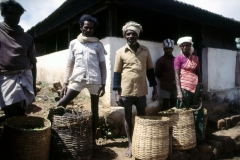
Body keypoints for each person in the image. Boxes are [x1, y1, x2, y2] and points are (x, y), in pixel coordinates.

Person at [57, 14, 107, 147]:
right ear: (81, 27)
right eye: (86, 27)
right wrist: (65, 83)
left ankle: (92, 140)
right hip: (78, 79)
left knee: (95, 110)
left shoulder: (98, 45)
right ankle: (56, 132)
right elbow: (69, 65)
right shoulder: (74, 43)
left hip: (94, 80)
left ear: (93, 29)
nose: (88, 30)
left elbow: (103, 66)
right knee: (61, 103)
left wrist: (104, 84)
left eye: (91, 28)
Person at [113, 21, 158, 158]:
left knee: (142, 116)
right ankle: (131, 144)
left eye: (133, 34)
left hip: (141, 91)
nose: (130, 36)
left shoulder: (145, 51)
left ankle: (141, 141)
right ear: (125, 36)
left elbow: (150, 70)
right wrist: (117, 93)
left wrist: (154, 87)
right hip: (126, 90)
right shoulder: (120, 52)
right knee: (127, 117)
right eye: (128, 34)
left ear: (137, 35)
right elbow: (117, 74)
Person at [0, 0, 37, 119]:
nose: (13, 16)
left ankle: (19, 134)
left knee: (21, 111)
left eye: (16, 14)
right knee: (11, 111)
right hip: (5, 78)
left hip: (24, 77)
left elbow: (33, 62)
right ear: (3, 14)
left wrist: (34, 85)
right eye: (10, 13)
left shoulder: (27, 38)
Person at [174, 36, 204, 142]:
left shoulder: (196, 58)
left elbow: (199, 73)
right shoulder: (178, 58)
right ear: (181, 47)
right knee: (183, 113)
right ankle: (183, 139)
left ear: (191, 46)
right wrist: (179, 92)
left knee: (197, 112)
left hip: (196, 88)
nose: (186, 47)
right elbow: (177, 76)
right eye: (184, 46)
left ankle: (198, 137)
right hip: (184, 89)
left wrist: (200, 88)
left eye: (188, 45)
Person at [155, 39, 177, 111]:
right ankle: (165, 121)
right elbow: (157, 73)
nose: (168, 50)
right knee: (166, 105)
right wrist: (165, 79)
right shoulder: (161, 60)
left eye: (169, 49)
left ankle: (173, 121)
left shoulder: (176, 60)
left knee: (174, 105)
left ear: (172, 49)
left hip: (175, 86)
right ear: (164, 49)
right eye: (166, 49)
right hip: (165, 87)